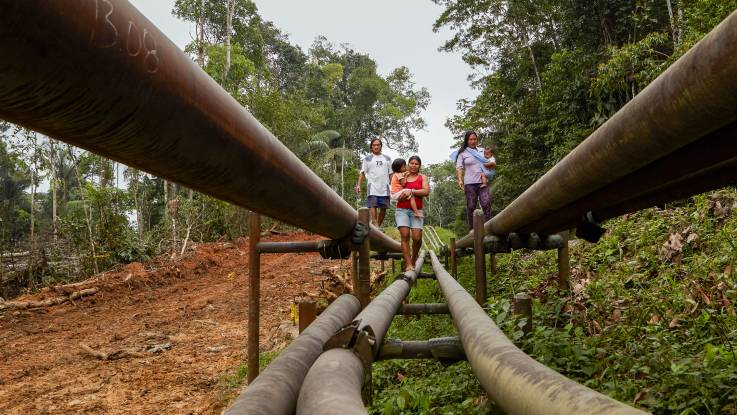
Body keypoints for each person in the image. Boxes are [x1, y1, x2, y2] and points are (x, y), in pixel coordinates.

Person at [395, 156, 429, 271]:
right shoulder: (403, 175)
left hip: (417, 211)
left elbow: (426, 191)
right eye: (411, 163)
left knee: (417, 238)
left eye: (416, 164)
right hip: (401, 210)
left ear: (419, 165)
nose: (413, 165)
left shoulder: (422, 177)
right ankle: (408, 264)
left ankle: (414, 259)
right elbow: (395, 187)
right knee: (405, 236)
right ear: (408, 164)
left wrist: (412, 191)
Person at [455, 130, 493, 230]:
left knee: (486, 202)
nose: (473, 141)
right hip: (470, 183)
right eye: (470, 139)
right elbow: (459, 168)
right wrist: (460, 180)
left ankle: (486, 226)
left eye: (474, 139)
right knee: (471, 206)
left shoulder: (482, 150)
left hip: (483, 182)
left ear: (477, 140)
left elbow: (490, 162)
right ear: (467, 141)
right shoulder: (462, 153)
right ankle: (472, 229)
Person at [355, 138, 392, 227]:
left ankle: (377, 226)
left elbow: (391, 174)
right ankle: (375, 224)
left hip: (385, 187)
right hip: (372, 187)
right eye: (374, 145)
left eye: (378, 145)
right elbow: (362, 173)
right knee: (373, 205)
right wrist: (359, 185)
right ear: (371, 147)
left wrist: (393, 187)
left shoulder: (387, 159)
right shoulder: (367, 159)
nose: (376, 147)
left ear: (381, 146)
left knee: (384, 208)